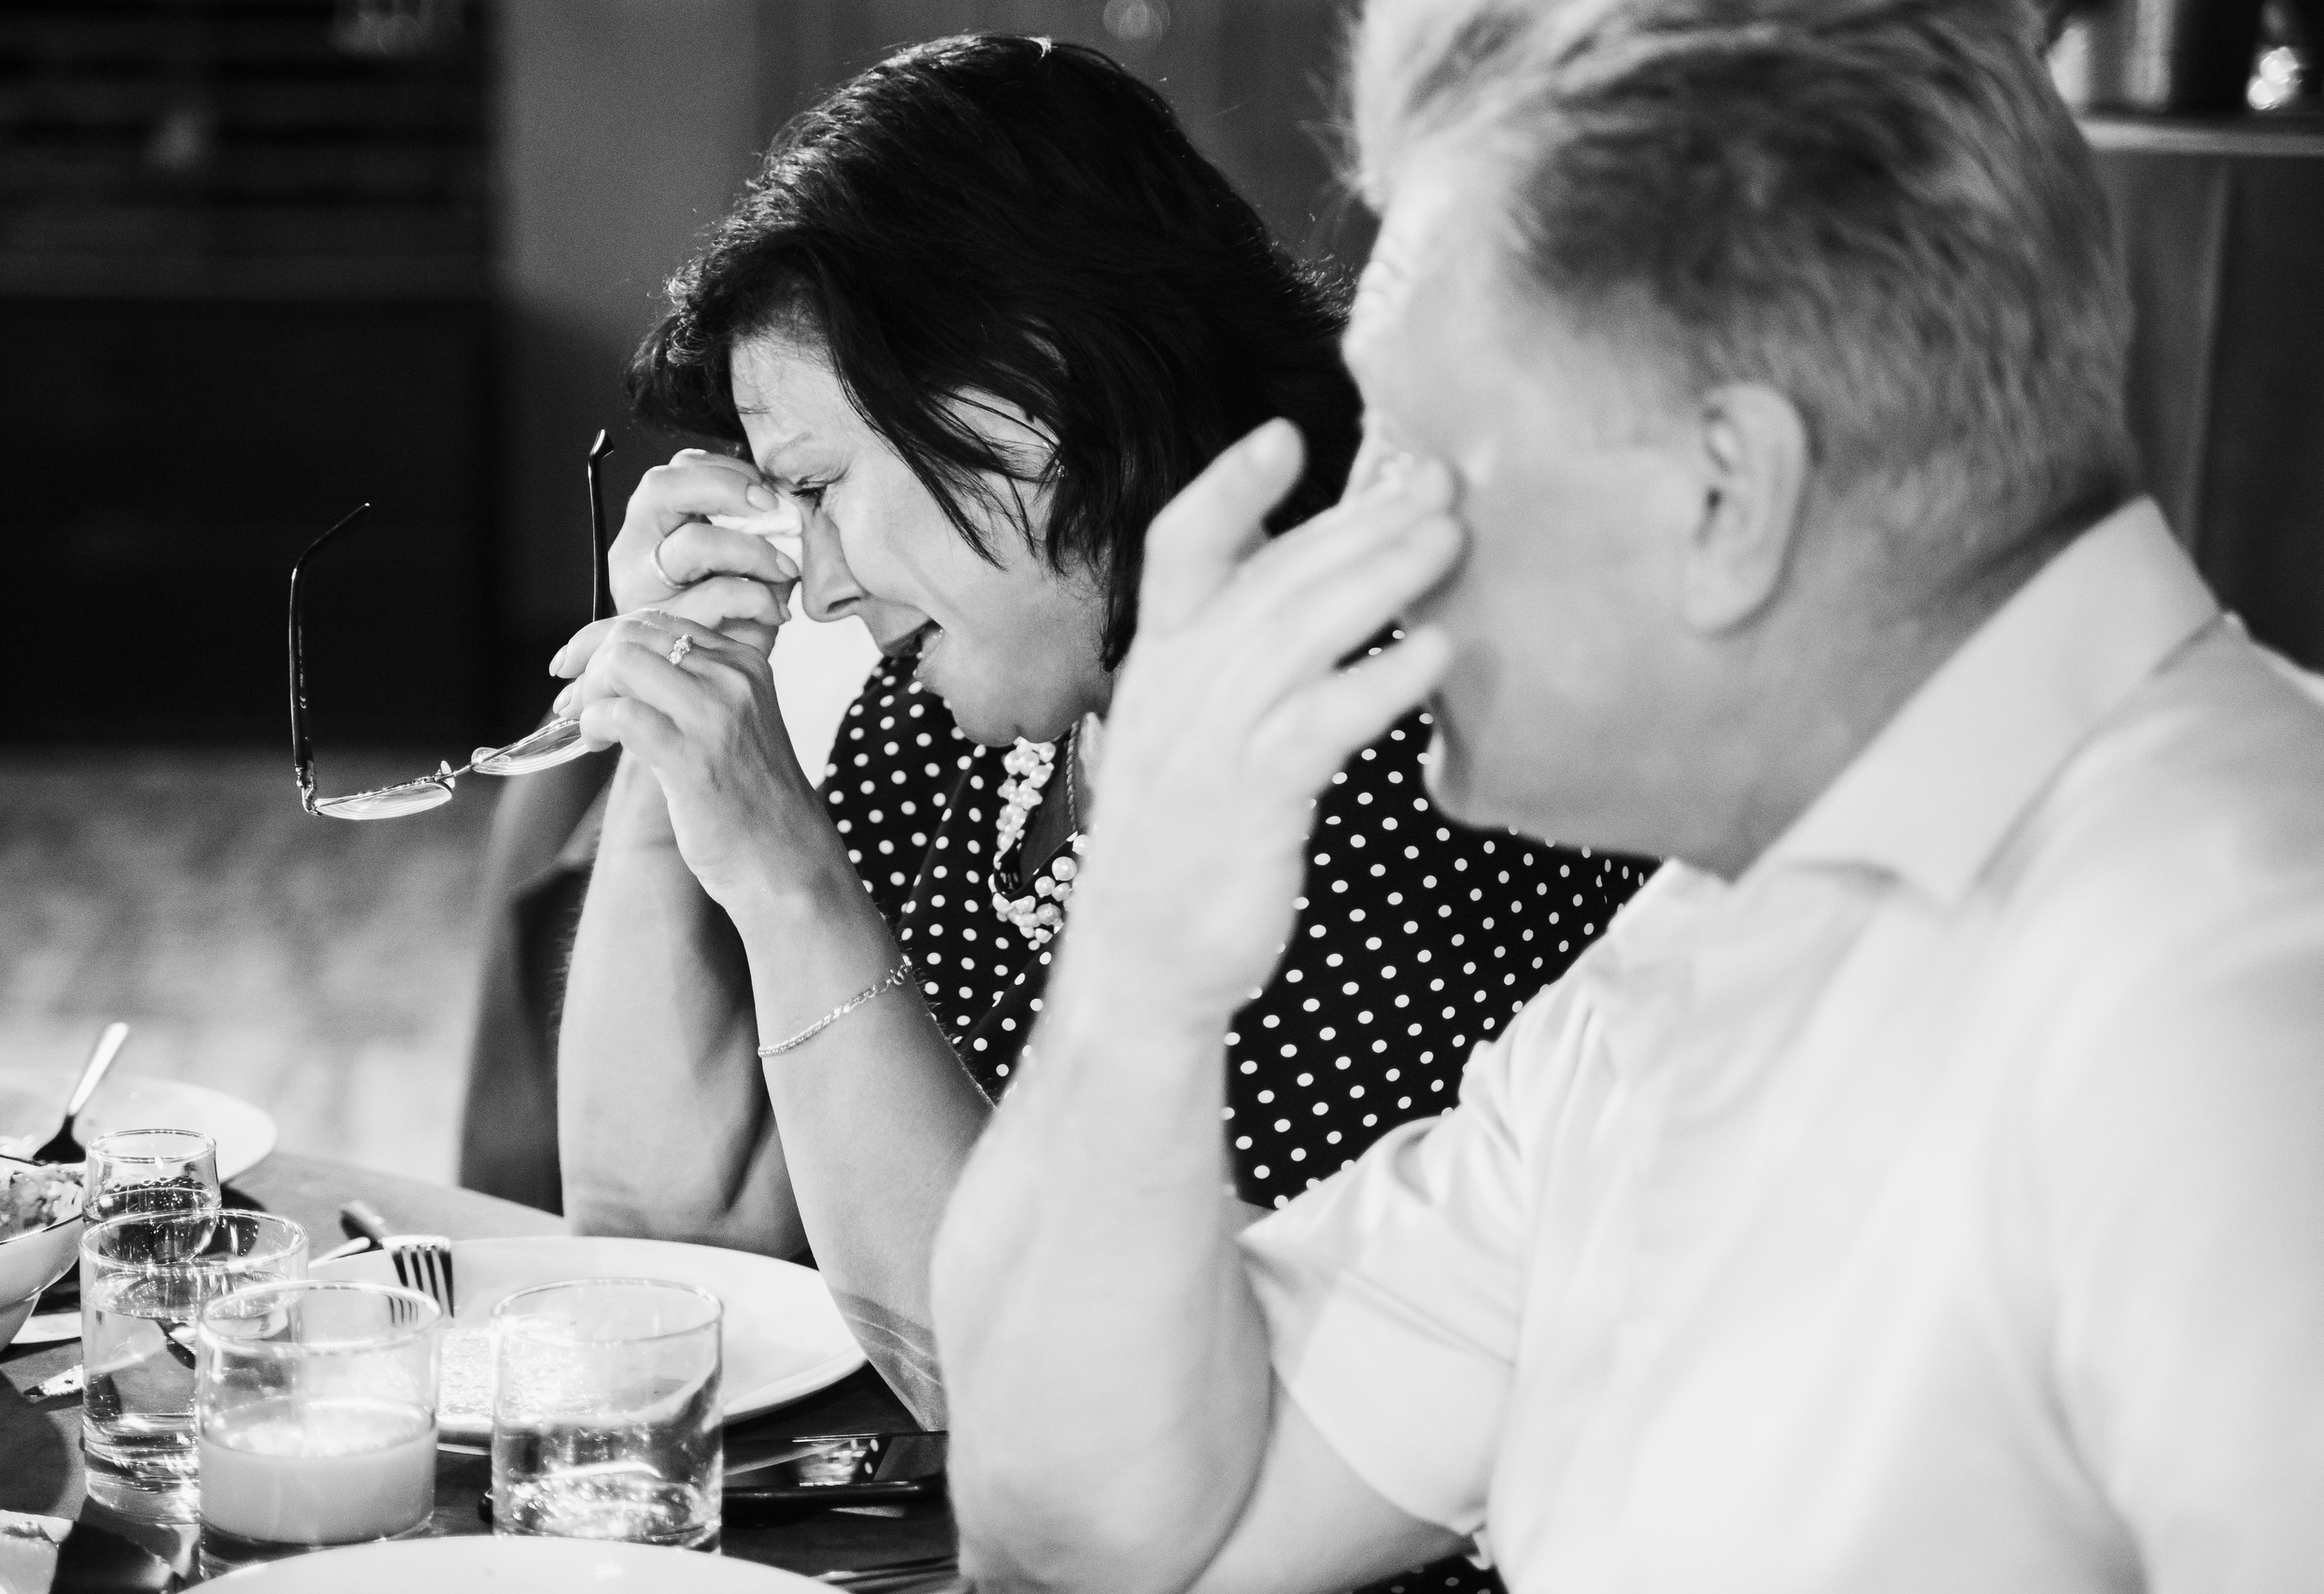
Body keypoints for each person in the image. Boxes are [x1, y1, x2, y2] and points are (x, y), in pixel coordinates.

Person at [927, 3, 2324, 1591]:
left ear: (1722, 496)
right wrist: (1142, 958)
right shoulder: (1683, 956)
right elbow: (1092, 1543)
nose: (1352, 537)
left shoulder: (2256, 990)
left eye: (1411, 450)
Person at [545, 28, 1649, 1485]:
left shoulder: (1396, 757)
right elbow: (665, 1241)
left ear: (1028, 390)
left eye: (819, 484)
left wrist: (792, 880)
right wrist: (675, 728)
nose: (812, 584)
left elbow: (1073, 1428)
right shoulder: (960, 722)